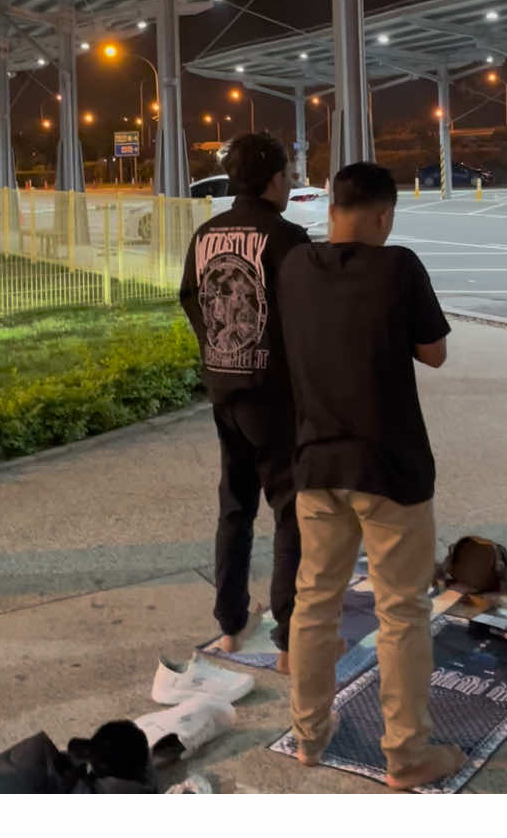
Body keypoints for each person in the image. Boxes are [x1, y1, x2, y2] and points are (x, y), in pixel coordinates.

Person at [278, 161, 466, 790]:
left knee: (314, 605)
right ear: (384, 214)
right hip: (389, 468)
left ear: (331, 207)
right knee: (402, 612)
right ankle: (406, 757)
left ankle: (308, 738)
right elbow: (434, 353)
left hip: (315, 464)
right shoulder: (400, 265)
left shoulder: (295, 268)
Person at [180, 133, 309, 673]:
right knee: (290, 511)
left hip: (225, 389)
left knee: (235, 506)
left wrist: (220, 350)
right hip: (276, 397)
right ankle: (290, 638)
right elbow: (309, 316)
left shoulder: (207, 233)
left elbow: (191, 296)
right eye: (288, 172)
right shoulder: (286, 237)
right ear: (275, 178)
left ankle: (231, 625)